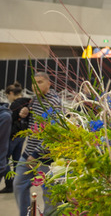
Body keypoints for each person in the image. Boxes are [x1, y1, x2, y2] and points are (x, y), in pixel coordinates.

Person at [14, 72, 62, 216]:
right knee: (19, 185)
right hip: (28, 152)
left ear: (49, 83)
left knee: (50, 194)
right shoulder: (35, 100)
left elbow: (53, 134)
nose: (36, 86)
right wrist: (25, 114)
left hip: (46, 156)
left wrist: (36, 154)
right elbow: (32, 126)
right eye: (34, 83)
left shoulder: (53, 103)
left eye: (40, 82)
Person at [0, 83, 30, 193]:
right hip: (22, 136)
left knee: (6, 159)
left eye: (8, 95)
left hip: (12, 136)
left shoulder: (14, 105)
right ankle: (17, 182)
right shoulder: (28, 102)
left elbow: (8, 122)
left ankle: (9, 184)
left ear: (11, 93)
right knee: (17, 160)